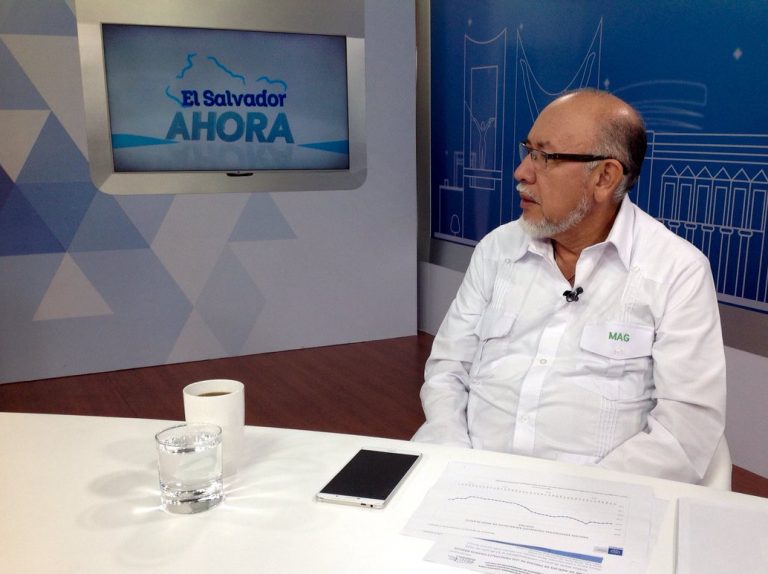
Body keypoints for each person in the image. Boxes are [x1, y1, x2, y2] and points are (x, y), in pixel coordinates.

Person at [412, 89, 726, 484]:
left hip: (598, 501)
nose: (521, 172)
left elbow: (686, 431)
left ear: (604, 177)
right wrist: (455, 461)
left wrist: (572, 497)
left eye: (545, 157)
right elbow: (447, 371)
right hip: (466, 479)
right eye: (528, 151)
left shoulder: (677, 272)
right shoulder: (497, 249)